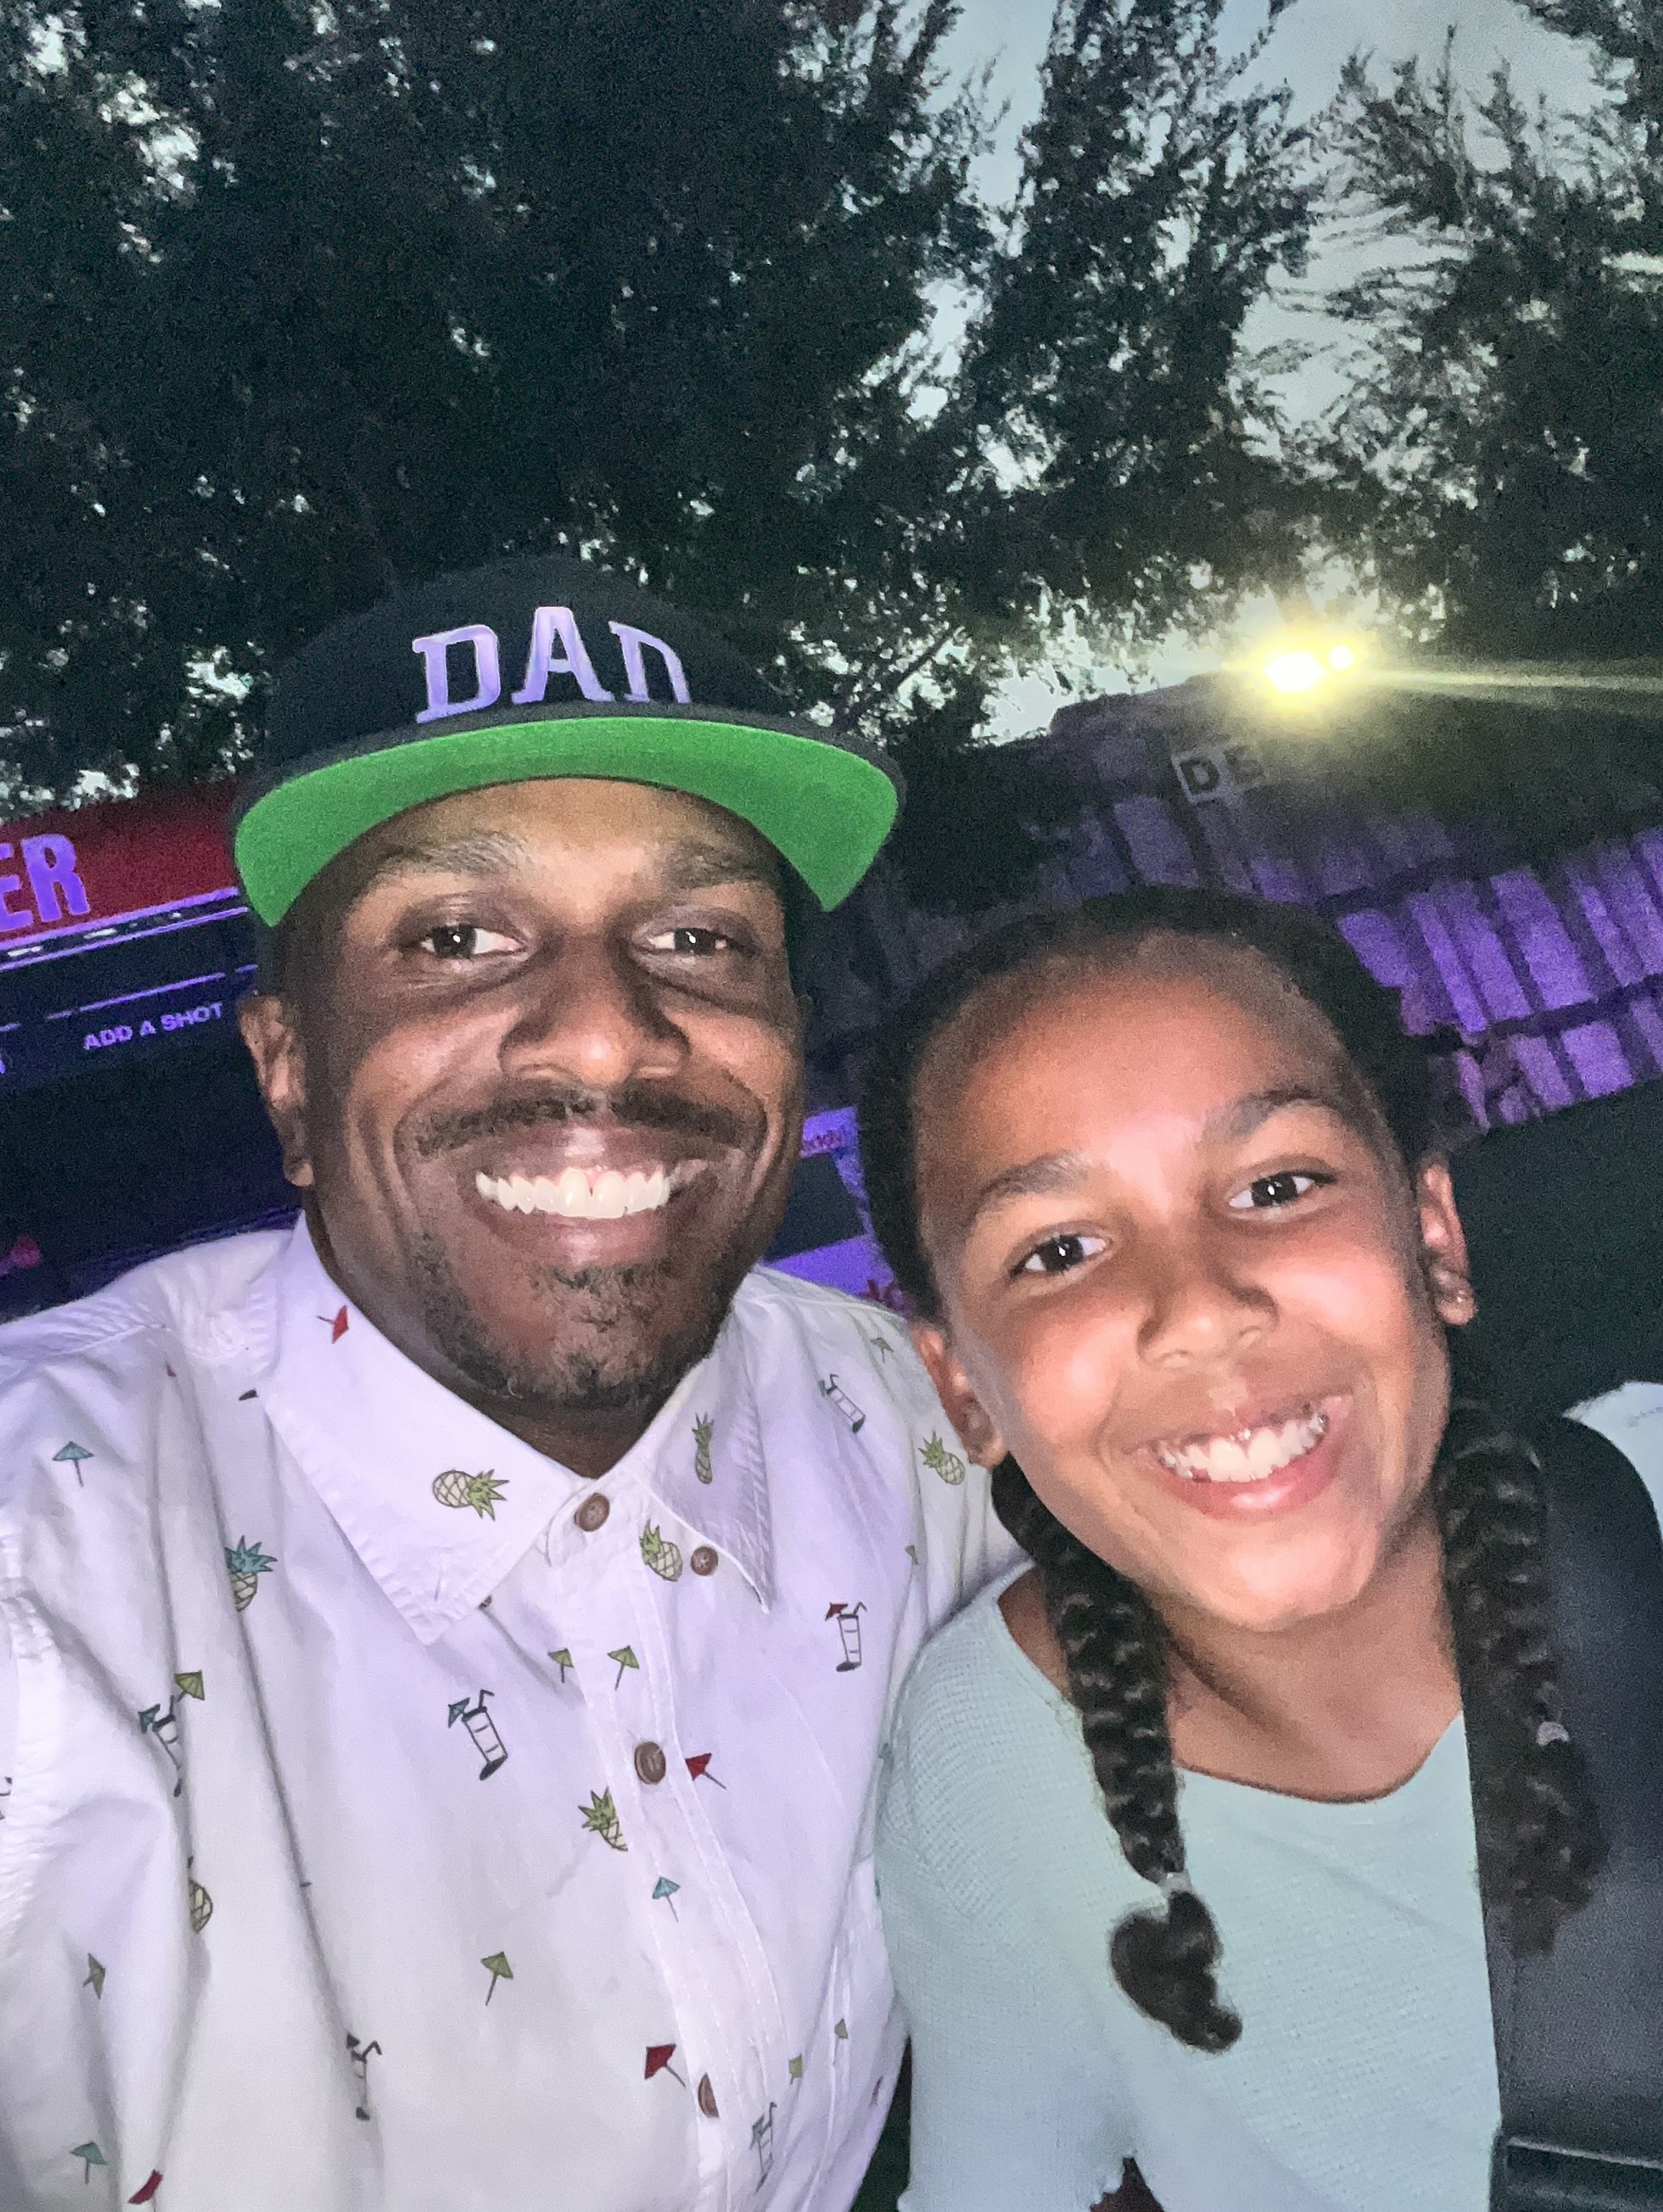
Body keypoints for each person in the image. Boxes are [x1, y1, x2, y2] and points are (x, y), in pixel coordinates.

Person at [0, 557, 1014, 2211]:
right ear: (290, 1071)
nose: (606, 1036)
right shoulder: (45, 1557)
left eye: (698, 936)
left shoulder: (918, 1437)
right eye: (456, 938)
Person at [856, 887, 1663, 2212]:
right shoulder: (987, 1761)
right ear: (962, 1390)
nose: (1199, 1310)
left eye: (1278, 1187)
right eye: (1058, 1251)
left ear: (1434, 1238)